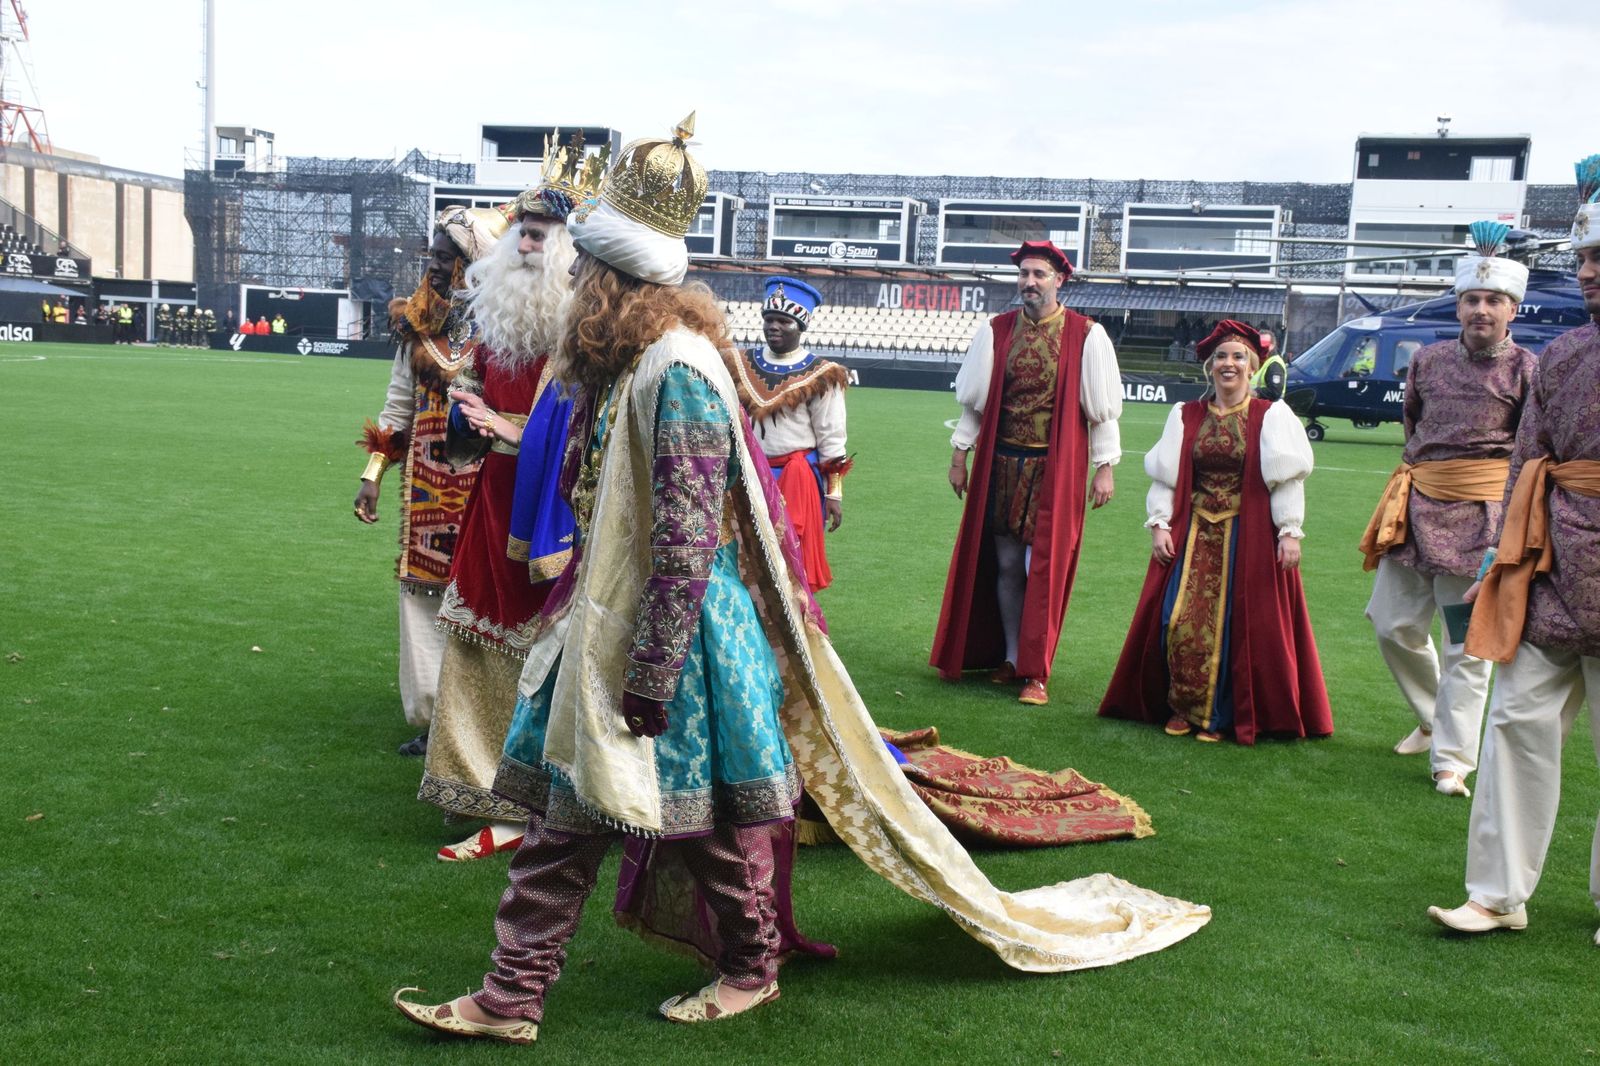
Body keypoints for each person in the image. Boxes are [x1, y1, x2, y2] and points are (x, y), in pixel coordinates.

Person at [394, 114, 1209, 1046]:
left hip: (679, 637)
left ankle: (748, 969)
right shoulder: (627, 363)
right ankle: (512, 997)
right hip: (614, 622)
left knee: (701, 825)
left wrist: (652, 670)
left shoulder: (677, 370)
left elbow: (687, 539)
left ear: (618, 281)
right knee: (565, 819)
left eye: (587, 270)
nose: (572, 283)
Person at [1429, 157, 1600, 941]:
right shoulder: (1564, 355)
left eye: (1599, 257)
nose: (1588, 271)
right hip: (1552, 572)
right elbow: (1529, 462)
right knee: (1515, 723)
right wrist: (1503, 558)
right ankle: (1498, 895)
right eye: (1586, 257)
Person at [419, 180, 580, 862]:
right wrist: (468, 412)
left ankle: (534, 802)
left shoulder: (582, 329)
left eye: (540, 233)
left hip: (553, 509)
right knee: (475, 636)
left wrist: (511, 429)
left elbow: (585, 431)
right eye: (522, 231)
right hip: (494, 500)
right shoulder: (495, 319)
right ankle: (475, 788)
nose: (527, 243)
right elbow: (474, 392)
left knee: (542, 649)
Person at [1359, 222, 1535, 797]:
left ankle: (1452, 761)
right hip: (1415, 512)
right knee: (1391, 623)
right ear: (1458, 305)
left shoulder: (1527, 369)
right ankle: (1434, 718)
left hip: (1481, 519)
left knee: (1466, 644)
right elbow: (1413, 425)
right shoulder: (1428, 360)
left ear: (1512, 309)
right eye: (1471, 299)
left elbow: (1529, 450)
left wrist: (1507, 523)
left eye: (1493, 300)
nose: (1481, 309)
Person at [1098, 320, 1330, 743]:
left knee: (1240, 626)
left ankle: (1220, 717)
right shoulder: (1186, 415)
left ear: (1252, 366)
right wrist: (1159, 523)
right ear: (1209, 366)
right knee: (1176, 619)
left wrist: (1289, 531)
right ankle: (1183, 706)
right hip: (1194, 531)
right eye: (1221, 356)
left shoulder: (1270, 416)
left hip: (1247, 534)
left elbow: (1286, 478)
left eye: (1238, 357)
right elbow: (1167, 476)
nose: (1229, 364)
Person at [931, 239, 1123, 706]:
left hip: (1054, 469)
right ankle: (1013, 657)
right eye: (1024, 274)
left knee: (1043, 565)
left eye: (1039, 274)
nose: (1030, 282)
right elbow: (975, 405)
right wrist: (959, 457)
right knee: (1007, 565)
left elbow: (1100, 410)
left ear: (1060, 280)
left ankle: (1037, 671)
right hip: (1001, 464)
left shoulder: (1086, 335)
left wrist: (1105, 467)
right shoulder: (996, 331)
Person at [355, 206, 502, 757]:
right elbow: (396, 409)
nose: (434, 266)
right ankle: (433, 716)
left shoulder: (506, 327)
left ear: (472, 262)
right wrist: (373, 474)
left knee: (481, 596)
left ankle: (482, 717)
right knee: (422, 598)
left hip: (489, 484)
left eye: (446, 257)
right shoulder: (415, 326)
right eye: (433, 256)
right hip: (427, 491)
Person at [723, 275, 849, 592]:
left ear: (800, 326)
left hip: (795, 480)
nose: (774, 327)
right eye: (769, 319)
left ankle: (795, 620)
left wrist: (834, 494)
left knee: (791, 564)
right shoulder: (739, 363)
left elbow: (832, 438)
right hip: (748, 475)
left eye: (783, 321)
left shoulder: (823, 374)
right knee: (746, 555)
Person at [1251, 329, 1286, 401]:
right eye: (1258, 344)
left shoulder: (1275, 364)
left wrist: (1254, 392)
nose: (1261, 346)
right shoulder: (1261, 360)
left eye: (1264, 344)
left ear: (1272, 346)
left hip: (1267, 405)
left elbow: (1275, 392)